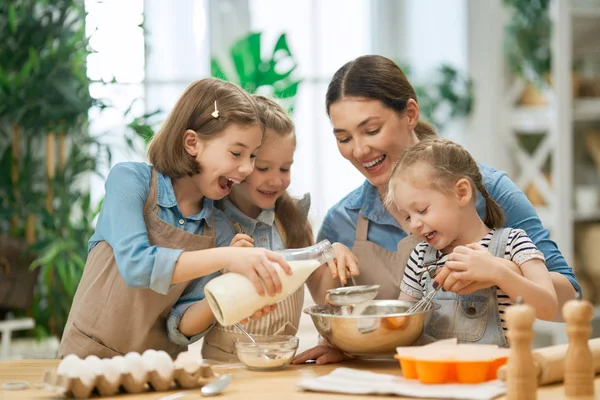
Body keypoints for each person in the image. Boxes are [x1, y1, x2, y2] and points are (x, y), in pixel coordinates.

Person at [293, 55, 580, 365]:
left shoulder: (489, 190)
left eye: (372, 130)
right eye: (345, 138)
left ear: (410, 114)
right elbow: (342, 318)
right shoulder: (343, 220)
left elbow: (566, 304)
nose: (359, 150)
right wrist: (346, 342)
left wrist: (502, 272)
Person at [58, 78, 293, 359]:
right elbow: (137, 265)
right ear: (192, 143)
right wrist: (226, 258)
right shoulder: (131, 181)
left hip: (158, 371)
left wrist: (233, 296)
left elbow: (179, 325)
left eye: (253, 156)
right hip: (85, 359)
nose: (246, 168)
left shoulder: (219, 232)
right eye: (236, 153)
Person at [166, 95, 357, 361]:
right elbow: (180, 327)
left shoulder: (293, 222)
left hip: (284, 366)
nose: (276, 180)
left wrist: (333, 254)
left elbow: (322, 294)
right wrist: (224, 279)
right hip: (228, 371)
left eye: (285, 168)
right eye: (263, 167)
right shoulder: (210, 228)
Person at [391, 139, 558, 346]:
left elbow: (548, 307)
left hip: (498, 375)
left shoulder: (513, 243)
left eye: (422, 210)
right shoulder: (420, 256)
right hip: (436, 375)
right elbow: (401, 321)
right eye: (407, 217)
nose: (413, 225)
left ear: (462, 192)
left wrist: (498, 272)